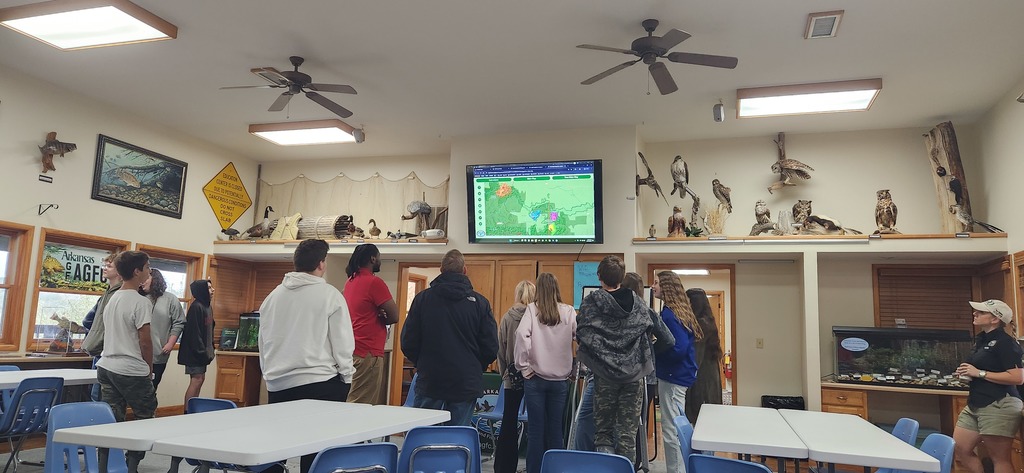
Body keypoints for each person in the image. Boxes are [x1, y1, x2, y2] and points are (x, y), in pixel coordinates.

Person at [258, 239, 354, 473]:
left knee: (277, 448)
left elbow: (264, 342)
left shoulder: (272, 297)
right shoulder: (330, 295)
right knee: (318, 451)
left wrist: (269, 376)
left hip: (279, 384)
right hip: (320, 383)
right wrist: (347, 376)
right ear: (321, 264)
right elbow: (342, 342)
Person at [401, 249, 498, 426]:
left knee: (424, 434)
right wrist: (475, 366)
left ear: (441, 270)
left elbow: (408, 341)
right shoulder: (480, 303)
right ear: (464, 270)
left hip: (431, 379)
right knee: (457, 436)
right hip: (465, 380)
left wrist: (422, 362)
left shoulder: (422, 300)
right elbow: (491, 346)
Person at [576, 256, 653, 459]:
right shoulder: (638, 303)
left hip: (604, 376)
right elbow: (648, 329)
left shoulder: (591, 302)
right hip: (634, 376)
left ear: (599, 276)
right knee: (627, 435)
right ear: (622, 277)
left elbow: (582, 332)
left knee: (603, 434)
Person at [95, 251, 156, 473]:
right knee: (145, 416)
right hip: (130, 368)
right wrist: (149, 368)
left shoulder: (113, 298)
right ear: (137, 271)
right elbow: (145, 341)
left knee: (112, 420)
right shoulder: (140, 302)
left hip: (106, 366)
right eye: (147, 267)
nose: (149, 271)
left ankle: (106, 465)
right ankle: (132, 465)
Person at [952, 299, 1024, 473]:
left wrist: (979, 373)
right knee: (960, 448)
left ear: (995, 319)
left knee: (999, 458)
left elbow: (1018, 377)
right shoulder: (982, 340)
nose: (975, 313)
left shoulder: (1006, 343)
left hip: (999, 404)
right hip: (976, 402)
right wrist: (967, 372)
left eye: (981, 312)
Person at [514, 273, 576, 473]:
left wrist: (523, 366)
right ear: (557, 288)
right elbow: (582, 338)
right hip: (560, 380)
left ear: (538, 289)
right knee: (556, 430)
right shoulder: (568, 311)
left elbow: (521, 335)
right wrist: (575, 368)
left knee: (535, 431)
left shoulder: (532, 309)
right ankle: (556, 470)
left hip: (535, 378)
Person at [652, 271, 702, 473]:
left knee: (671, 429)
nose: (653, 286)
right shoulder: (678, 311)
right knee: (677, 426)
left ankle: (676, 470)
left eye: (656, 283)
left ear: (666, 287)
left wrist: (655, 353)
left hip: (673, 376)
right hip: (680, 375)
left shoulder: (669, 314)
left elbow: (678, 347)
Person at [343, 243, 399, 404]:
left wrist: (377, 312)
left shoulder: (350, 282)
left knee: (354, 398)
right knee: (361, 404)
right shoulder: (374, 282)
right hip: (368, 351)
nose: (380, 261)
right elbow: (394, 316)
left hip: (353, 348)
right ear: (373, 258)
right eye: (379, 257)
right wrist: (382, 318)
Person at [494, 279, 536, 473]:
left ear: (517, 294)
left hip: (512, 375)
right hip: (535, 375)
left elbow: (500, 348)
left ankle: (504, 467)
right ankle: (535, 466)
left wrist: (505, 373)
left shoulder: (507, 317)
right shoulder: (537, 316)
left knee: (509, 421)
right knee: (536, 422)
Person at [82, 251, 123, 402]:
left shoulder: (119, 294)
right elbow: (88, 321)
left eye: (109, 266)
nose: (104, 268)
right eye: (104, 265)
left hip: (109, 352)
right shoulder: (106, 294)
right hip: (99, 350)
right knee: (95, 392)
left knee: (101, 395)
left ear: (119, 271)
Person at [138, 268, 185, 389]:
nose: (142, 282)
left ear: (155, 279)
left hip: (158, 354)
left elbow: (179, 322)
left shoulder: (170, 299)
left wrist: (170, 344)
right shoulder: (137, 297)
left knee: (151, 389)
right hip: (136, 355)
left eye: (146, 278)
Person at [684, 287, 723, 423]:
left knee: (701, 419)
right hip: (710, 376)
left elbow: (696, 356)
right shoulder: (708, 321)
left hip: (701, 378)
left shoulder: (700, 325)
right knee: (709, 419)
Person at [178, 279, 215, 407]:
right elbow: (194, 334)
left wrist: (211, 349)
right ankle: (188, 411)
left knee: (200, 379)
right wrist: (202, 353)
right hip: (195, 353)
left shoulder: (207, 307)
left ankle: (193, 408)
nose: (212, 290)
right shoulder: (196, 307)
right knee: (196, 380)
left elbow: (210, 330)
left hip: (203, 353)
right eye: (209, 288)